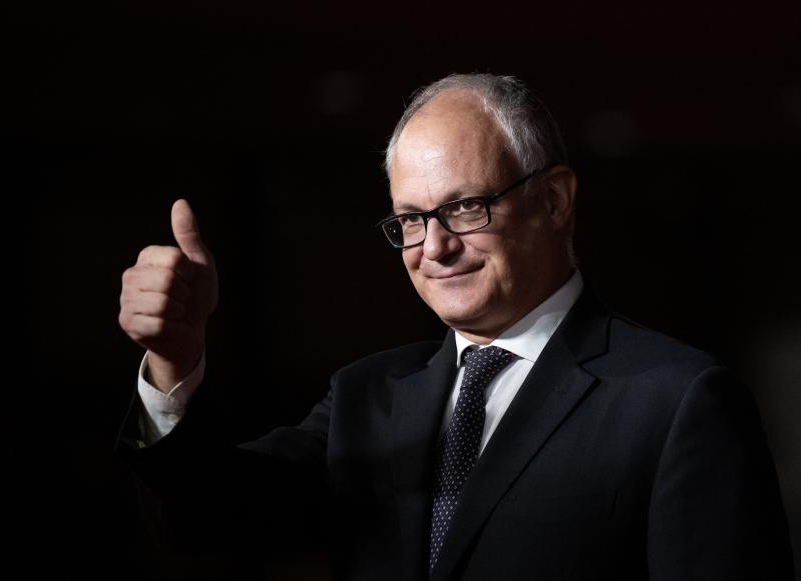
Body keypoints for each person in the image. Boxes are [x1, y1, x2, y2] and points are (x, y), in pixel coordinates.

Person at [115, 73, 795, 580]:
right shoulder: (367, 394)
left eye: (465, 208)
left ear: (554, 200)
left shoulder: (677, 400)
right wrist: (175, 361)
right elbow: (210, 516)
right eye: (410, 218)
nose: (432, 247)